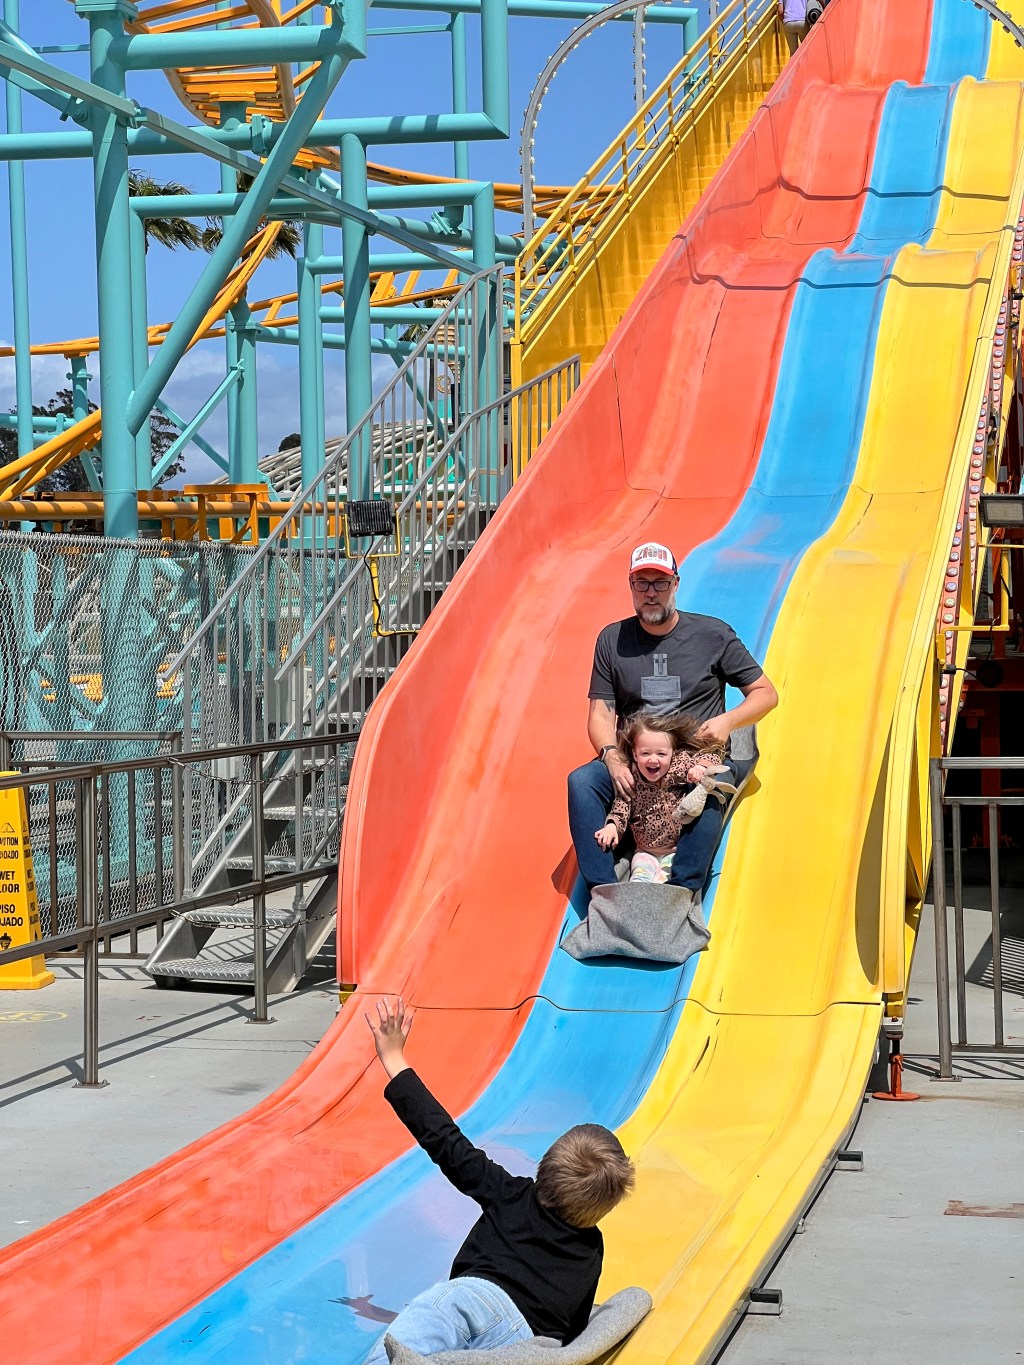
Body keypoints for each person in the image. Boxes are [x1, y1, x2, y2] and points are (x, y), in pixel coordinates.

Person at [362, 998, 636, 1363]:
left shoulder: (512, 1194)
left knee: (425, 1326)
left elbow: (445, 1141)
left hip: (475, 1300)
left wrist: (394, 1059)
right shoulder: (591, 1250)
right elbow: (573, 1324)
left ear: (543, 1171)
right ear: (603, 1207)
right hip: (521, 1342)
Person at [567, 542, 777, 907]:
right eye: (642, 583)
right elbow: (600, 714)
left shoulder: (712, 635)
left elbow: (765, 693)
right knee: (582, 782)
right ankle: (605, 894)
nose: (651, 593)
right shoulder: (612, 640)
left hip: (695, 757)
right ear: (631, 586)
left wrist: (728, 721)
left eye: (660, 583)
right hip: (638, 755)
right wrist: (613, 756)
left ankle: (679, 892)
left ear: (676, 584)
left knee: (713, 787)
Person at [595, 711, 734, 884]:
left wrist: (700, 767)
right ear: (635, 754)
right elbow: (621, 806)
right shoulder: (632, 778)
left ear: (672, 753)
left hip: (677, 850)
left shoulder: (679, 766)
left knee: (663, 882)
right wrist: (612, 826)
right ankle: (636, 904)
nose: (653, 759)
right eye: (645, 753)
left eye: (661, 754)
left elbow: (711, 755)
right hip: (645, 851)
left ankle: (665, 902)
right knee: (639, 880)